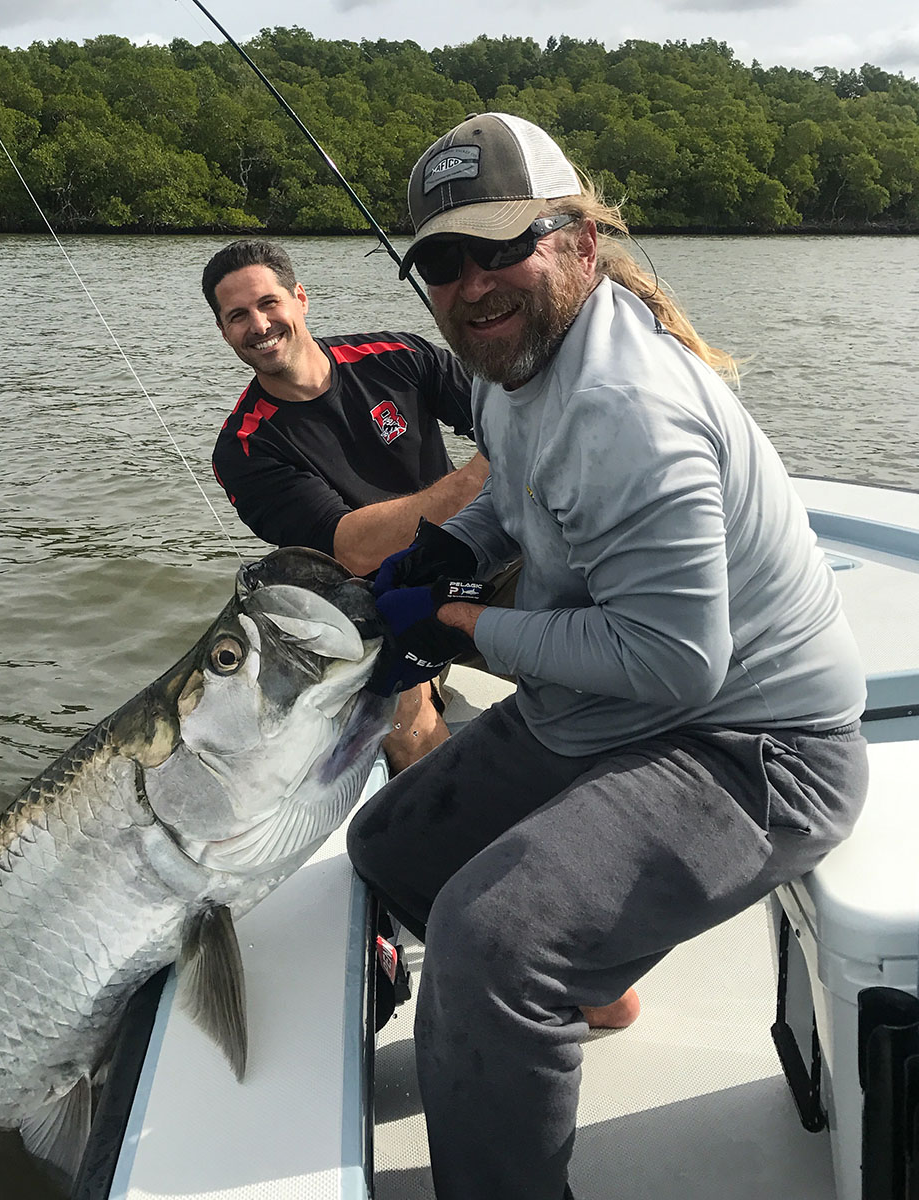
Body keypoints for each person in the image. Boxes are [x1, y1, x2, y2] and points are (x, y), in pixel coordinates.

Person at [347, 112, 869, 1200]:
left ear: (579, 242)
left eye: (503, 247)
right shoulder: (508, 358)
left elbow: (674, 663)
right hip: (623, 710)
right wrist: (451, 546)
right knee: (393, 844)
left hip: (754, 746)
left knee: (490, 942)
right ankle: (595, 990)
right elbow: (516, 483)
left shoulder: (630, 408)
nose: (473, 283)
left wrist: (458, 625)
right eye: (442, 261)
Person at [204, 238, 490, 771]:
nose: (259, 325)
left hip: (478, 545)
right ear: (224, 332)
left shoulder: (400, 357)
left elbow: (504, 410)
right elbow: (353, 548)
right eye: (237, 316)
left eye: (269, 303)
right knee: (404, 716)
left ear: (300, 298)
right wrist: (482, 470)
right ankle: (465, 819)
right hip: (367, 607)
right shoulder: (243, 450)